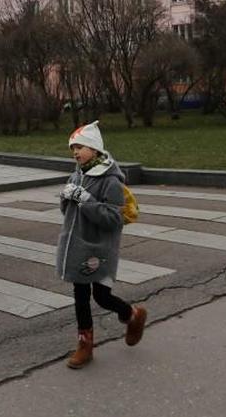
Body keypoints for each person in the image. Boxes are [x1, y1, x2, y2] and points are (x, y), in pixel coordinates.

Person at [56, 120, 147, 369]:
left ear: (95, 149)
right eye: (73, 148)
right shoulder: (77, 173)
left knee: (102, 296)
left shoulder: (111, 181)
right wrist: (66, 198)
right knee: (81, 296)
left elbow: (113, 218)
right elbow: (68, 212)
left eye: (80, 147)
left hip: (99, 248)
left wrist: (86, 200)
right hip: (76, 245)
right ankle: (85, 345)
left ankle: (132, 315)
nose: (75, 152)